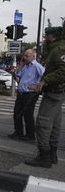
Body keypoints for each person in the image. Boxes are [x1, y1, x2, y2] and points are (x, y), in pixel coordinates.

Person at [25, 26, 65, 168]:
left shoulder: (59, 49)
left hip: (54, 92)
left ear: (52, 36)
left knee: (42, 123)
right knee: (55, 124)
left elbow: (62, 72)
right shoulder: (57, 48)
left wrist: (44, 81)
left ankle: (44, 157)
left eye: (46, 35)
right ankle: (52, 155)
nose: (44, 38)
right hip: (56, 92)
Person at [8, 49, 44, 140]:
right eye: (24, 55)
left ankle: (30, 135)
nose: (25, 58)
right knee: (17, 113)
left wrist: (38, 86)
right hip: (21, 93)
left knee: (28, 114)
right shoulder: (25, 66)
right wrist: (21, 64)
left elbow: (44, 75)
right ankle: (18, 132)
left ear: (33, 56)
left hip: (30, 94)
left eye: (27, 56)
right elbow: (18, 75)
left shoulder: (37, 66)